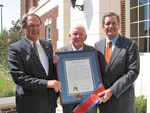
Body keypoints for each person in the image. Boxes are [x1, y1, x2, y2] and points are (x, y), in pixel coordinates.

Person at [8, 14, 61, 113]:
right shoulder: (15, 48)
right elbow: (19, 78)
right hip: (29, 105)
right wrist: (47, 84)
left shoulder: (47, 45)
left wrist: (57, 64)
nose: (35, 29)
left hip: (49, 104)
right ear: (24, 27)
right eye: (31, 26)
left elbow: (49, 72)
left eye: (37, 25)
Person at [95, 12, 140, 113]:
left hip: (122, 102)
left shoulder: (130, 45)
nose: (111, 26)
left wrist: (112, 91)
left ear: (119, 25)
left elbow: (133, 72)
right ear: (103, 26)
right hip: (103, 102)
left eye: (114, 23)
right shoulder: (97, 46)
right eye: (107, 23)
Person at [57, 24, 97, 113]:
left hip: (89, 101)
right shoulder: (60, 53)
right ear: (69, 36)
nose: (78, 36)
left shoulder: (93, 52)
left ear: (85, 37)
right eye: (75, 34)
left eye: (81, 34)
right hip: (69, 101)